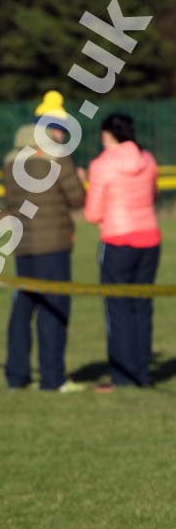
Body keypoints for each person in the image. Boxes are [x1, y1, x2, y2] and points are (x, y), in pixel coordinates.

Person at [3, 90, 85, 391]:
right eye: (62, 130)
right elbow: (77, 198)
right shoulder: (58, 158)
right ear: (50, 129)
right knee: (54, 310)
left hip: (23, 245)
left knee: (23, 310)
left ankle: (16, 376)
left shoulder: (11, 159)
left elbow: (9, 201)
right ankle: (53, 379)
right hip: (54, 246)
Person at [84, 113, 161, 391]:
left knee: (117, 310)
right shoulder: (148, 159)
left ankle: (121, 376)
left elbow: (92, 213)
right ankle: (142, 373)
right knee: (142, 306)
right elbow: (153, 194)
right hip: (150, 238)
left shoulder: (101, 165)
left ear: (107, 134)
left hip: (118, 240)